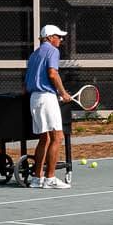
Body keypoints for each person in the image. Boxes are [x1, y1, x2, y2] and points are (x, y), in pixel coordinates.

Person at [25, 23, 75, 190]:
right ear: (49, 38)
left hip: (34, 99)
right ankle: (50, 178)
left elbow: (26, 84)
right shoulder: (53, 51)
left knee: (44, 138)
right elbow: (53, 74)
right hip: (46, 98)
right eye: (58, 36)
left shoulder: (34, 55)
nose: (60, 39)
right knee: (57, 137)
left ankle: (36, 178)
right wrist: (63, 93)